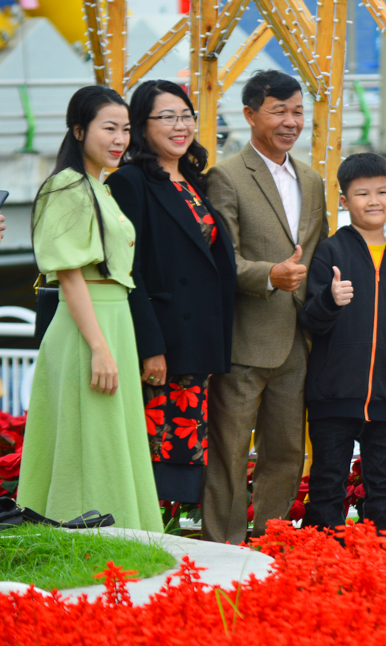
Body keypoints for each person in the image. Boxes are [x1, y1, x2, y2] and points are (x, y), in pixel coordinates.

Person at [18, 85, 163, 532]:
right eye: (108, 128)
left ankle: (118, 538)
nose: (120, 138)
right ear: (79, 130)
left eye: (125, 129)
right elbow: (70, 276)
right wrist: (99, 346)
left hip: (110, 319)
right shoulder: (66, 186)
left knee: (105, 438)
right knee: (92, 440)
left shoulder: (96, 186)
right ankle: (89, 543)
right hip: (89, 325)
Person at [203, 70, 329, 543]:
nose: (291, 121)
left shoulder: (313, 180)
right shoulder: (226, 176)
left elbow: (319, 256)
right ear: (251, 114)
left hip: (299, 340)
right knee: (230, 450)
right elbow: (221, 262)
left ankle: (269, 542)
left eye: (297, 111)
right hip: (243, 338)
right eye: (279, 111)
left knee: (287, 451)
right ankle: (224, 547)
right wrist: (268, 276)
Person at [106, 80, 236, 505]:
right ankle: (144, 538)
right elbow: (132, 270)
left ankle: (170, 540)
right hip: (164, 344)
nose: (181, 126)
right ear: (142, 126)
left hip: (196, 342)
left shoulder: (192, 179)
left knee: (184, 449)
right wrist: (151, 347)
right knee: (156, 448)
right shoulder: (130, 182)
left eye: (186, 116)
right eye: (168, 117)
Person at [299, 153, 386, 532]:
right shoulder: (330, 252)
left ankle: (381, 561)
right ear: (344, 201)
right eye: (362, 194)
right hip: (333, 398)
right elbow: (310, 320)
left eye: (382, 191)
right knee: (327, 485)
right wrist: (329, 299)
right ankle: (321, 561)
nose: (374, 201)